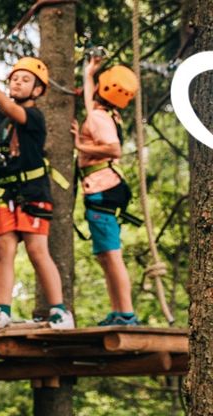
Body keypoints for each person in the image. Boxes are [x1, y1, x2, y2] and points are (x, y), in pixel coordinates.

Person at [0, 51, 75, 329]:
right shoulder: (2, 118)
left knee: (37, 251)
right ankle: (3, 311)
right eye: (14, 79)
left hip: (32, 193)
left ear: (37, 90)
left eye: (25, 80)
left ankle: (60, 312)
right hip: (6, 195)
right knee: (4, 250)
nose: (17, 83)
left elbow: (13, 111)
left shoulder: (34, 116)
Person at [74, 57, 140, 326]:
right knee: (105, 254)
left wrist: (80, 146)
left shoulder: (100, 119)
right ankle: (118, 311)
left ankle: (125, 313)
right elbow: (91, 102)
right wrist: (88, 74)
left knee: (111, 255)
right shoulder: (104, 114)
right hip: (105, 188)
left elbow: (114, 149)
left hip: (103, 188)